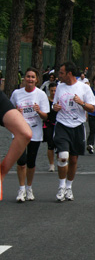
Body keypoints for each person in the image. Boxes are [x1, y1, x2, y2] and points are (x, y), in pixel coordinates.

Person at [52, 62, 95, 202]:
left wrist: (81, 103)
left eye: (61, 73)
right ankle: (61, 186)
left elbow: (92, 109)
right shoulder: (60, 87)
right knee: (63, 156)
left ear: (69, 74)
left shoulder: (84, 88)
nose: (59, 76)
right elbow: (54, 104)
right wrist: (55, 107)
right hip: (62, 125)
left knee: (73, 159)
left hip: (77, 126)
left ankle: (69, 187)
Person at [10, 67, 50, 202]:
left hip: (35, 132)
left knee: (31, 162)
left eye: (33, 77)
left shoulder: (41, 95)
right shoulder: (16, 93)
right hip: (20, 132)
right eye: (28, 76)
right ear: (24, 79)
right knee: (21, 162)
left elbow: (46, 117)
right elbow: (10, 113)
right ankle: (21, 189)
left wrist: (39, 111)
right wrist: (16, 112)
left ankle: (29, 187)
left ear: (37, 80)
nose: (30, 79)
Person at [43, 82, 58, 172]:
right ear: (49, 90)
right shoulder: (46, 100)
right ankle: (51, 164)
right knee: (50, 145)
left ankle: (60, 161)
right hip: (48, 124)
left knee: (59, 144)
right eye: (52, 90)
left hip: (59, 124)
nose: (53, 92)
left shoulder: (59, 100)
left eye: (55, 90)